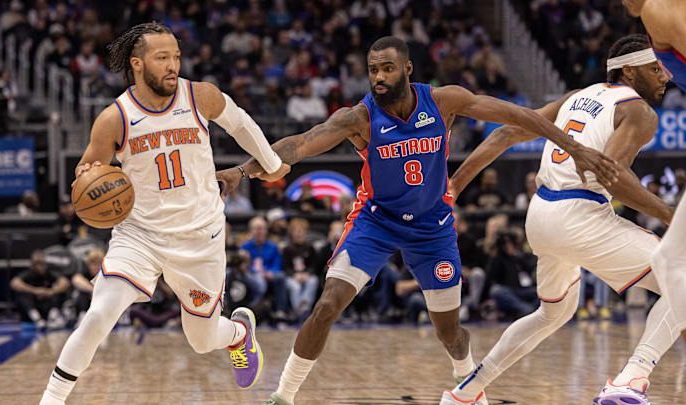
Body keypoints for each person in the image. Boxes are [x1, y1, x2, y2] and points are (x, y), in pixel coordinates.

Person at [216, 36, 619, 405]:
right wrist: (244, 170)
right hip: (376, 221)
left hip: (432, 227)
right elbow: (300, 143)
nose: (378, 77)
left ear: (407, 70)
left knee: (448, 329)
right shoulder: (359, 118)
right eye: (373, 69)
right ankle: (284, 395)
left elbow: (516, 115)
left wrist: (571, 145)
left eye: (387, 68)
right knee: (328, 304)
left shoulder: (443, 101)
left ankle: (467, 387)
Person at [39, 22, 290, 405]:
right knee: (100, 313)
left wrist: (270, 162)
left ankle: (238, 333)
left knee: (202, 341)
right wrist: (86, 175)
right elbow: (86, 169)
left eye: (176, 56)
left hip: (199, 235)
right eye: (162, 58)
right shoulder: (115, 118)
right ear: (137, 64)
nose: (173, 65)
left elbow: (239, 121)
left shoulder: (199, 96)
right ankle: (51, 400)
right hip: (139, 235)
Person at [443, 34, 679, 405]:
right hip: (580, 214)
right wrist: (669, 214)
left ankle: (465, 393)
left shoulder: (577, 96)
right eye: (656, 69)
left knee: (553, 313)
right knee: (682, 279)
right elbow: (609, 174)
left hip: (541, 214)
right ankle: (630, 379)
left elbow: (506, 133)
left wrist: (454, 184)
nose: (665, 76)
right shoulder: (639, 112)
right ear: (629, 72)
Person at [622, 0, 686, 344]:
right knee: (669, 260)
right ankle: (635, 375)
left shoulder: (657, 9)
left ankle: (634, 375)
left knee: (670, 259)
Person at [10, 250, 70, 329]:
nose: (40, 267)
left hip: (48, 305)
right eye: (37, 264)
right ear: (32, 265)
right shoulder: (28, 273)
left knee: (60, 291)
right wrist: (35, 290)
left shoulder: (50, 273)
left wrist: (50, 291)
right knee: (22, 294)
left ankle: (53, 316)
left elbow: (65, 282)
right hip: (33, 307)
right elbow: (14, 283)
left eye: (41, 264)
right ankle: (37, 319)